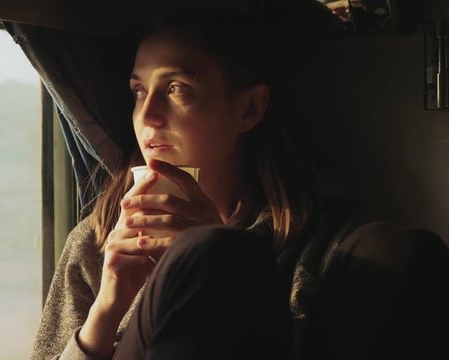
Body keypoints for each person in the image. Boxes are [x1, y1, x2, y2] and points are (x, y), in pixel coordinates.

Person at [31, 7, 449, 360]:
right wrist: (107, 306)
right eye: (139, 92)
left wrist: (220, 265)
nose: (148, 116)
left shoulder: (319, 246)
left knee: (398, 250)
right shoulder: (99, 241)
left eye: (177, 89)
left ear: (249, 109)